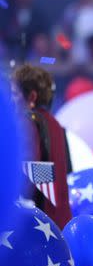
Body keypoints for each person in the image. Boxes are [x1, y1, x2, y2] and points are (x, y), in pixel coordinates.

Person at [11, 64, 72, 229]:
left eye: (15, 94)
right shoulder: (57, 125)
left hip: (37, 225)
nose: (11, 99)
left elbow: (30, 168)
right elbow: (66, 171)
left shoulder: (27, 121)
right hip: (60, 224)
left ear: (31, 97)